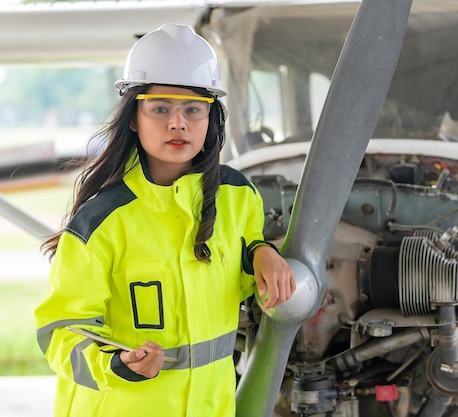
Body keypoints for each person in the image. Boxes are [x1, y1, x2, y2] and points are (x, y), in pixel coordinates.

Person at [34, 23, 296, 417]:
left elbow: (227, 272)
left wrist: (261, 252)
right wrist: (116, 363)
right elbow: (59, 332)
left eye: (193, 109)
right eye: (160, 109)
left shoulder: (239, 197)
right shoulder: (100, 223)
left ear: (211, 117)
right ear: (134, 118)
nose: (178, 123)